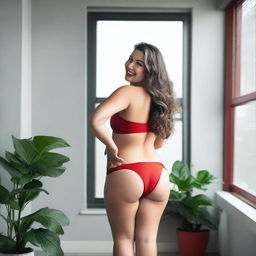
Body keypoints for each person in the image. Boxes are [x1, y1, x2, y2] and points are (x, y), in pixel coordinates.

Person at [90, 42, 178, 256]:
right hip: (157, 175)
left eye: (139, 63)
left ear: (150, 70)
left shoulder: (127, 93)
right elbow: (159, 143)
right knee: (147, 239)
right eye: (130, 59)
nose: (130, 65)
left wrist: (111, 147)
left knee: (123, 239)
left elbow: (95, 120)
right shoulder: (162, 100)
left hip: (127, 171)